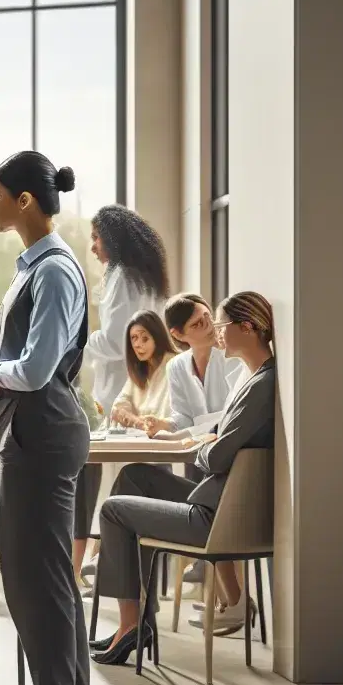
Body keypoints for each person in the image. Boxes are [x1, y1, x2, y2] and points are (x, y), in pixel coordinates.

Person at [0, 151, 93, 685]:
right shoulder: (36, 265)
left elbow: (38, 368)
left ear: (23, 201)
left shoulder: (55, 270)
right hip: (35, 429)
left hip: (41, 431)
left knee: (33, 577)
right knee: (50, 577)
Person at [91, 292, 278, 662]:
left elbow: (217, 455)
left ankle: (132, 625)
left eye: (221, 325)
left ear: (249, 328)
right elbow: (217, 440)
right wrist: (209, 438)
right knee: (134, 476)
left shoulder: (259, 386)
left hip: (213, 518)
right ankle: (136, 621)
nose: (217, 333)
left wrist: (208, 441)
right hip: (215, 502)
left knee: (113, 510)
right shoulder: (254, 378)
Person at [74, 204, 170, 585]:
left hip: (119, 388)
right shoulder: (144, 276)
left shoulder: (123, 278)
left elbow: (116, 341)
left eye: (97, 239)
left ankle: (90, 561)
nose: (94, 248)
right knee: (132, 474)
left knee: (94, 472)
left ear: (112, 240)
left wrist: (79, 341)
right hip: (137, 384)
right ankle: (108, 558)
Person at [146, 292, 248, 442]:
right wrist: (163, 424)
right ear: (177, 334)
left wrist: (187, 433)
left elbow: (234, 414)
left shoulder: (233, 357)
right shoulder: (176, 367)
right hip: (193, 451)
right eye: (197, 324)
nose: (209, 326)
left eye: (208, 316)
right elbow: (184, 418)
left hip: (228, 444)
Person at [108, 310, 176, 431]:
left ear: (157, 337)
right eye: (134, 338)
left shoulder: (175, 364)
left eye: (145, 338)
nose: (138, 344)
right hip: (142, 439)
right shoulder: (138, 372)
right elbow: (118, 408)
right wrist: (138, 423)